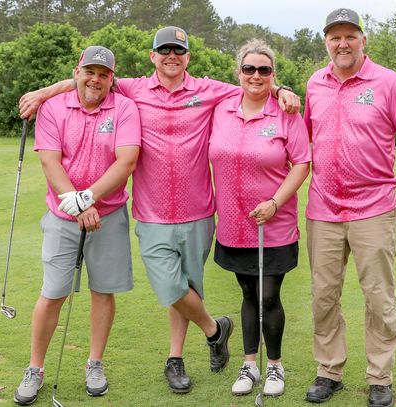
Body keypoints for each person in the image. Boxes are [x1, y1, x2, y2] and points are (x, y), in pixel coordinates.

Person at [18, 26, 300, 394]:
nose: (171, 55)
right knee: (170, 286)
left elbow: (254, 86)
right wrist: (44, 92)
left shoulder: (209, 91)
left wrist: (281, 89)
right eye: (164, 49)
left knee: (188, 284)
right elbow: (90, 79)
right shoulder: (131, 88)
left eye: (178, 50)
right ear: (152, 56)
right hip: (151, 212)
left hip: (199, 209)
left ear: (187, 57)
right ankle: (215, 330)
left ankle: (175, 359)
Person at [302, 8, 396, 407]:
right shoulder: (314, 84)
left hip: (374, 207)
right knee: (323, 295)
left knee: (378, 296)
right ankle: (329, 371)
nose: (342, 43)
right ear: (326, 42)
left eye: (350, 36)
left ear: (363, 40)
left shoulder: (388, 82)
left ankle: (380, 377)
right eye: (335, 37)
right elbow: (303, 139)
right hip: (322, 207)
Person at [13, 46, 141, 405]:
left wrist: (89, 199)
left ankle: (95, 364)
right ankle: (35, 368)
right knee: (53, 293)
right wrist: (76, 202)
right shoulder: (54, 107)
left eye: (103, 74)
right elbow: (50, 162)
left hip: (109, 214)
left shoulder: (125, 108)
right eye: (90, 71)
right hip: (62, 216)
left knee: (103, 291)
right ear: (77, 71)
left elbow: (126, 161)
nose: (95, 80)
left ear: (112, 78)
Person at [209, 39, 311, 398]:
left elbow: (301, 163)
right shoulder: (220, 108)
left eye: (264, 70)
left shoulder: (286, 113)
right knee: (248, 291)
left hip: (274, 223)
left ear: (273, 75)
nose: (256, 75)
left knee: (269, 295)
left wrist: (275, 201)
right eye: (249, 69)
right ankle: (249, 364)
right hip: (234, 223)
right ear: (239, 72)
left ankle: (275, 367)